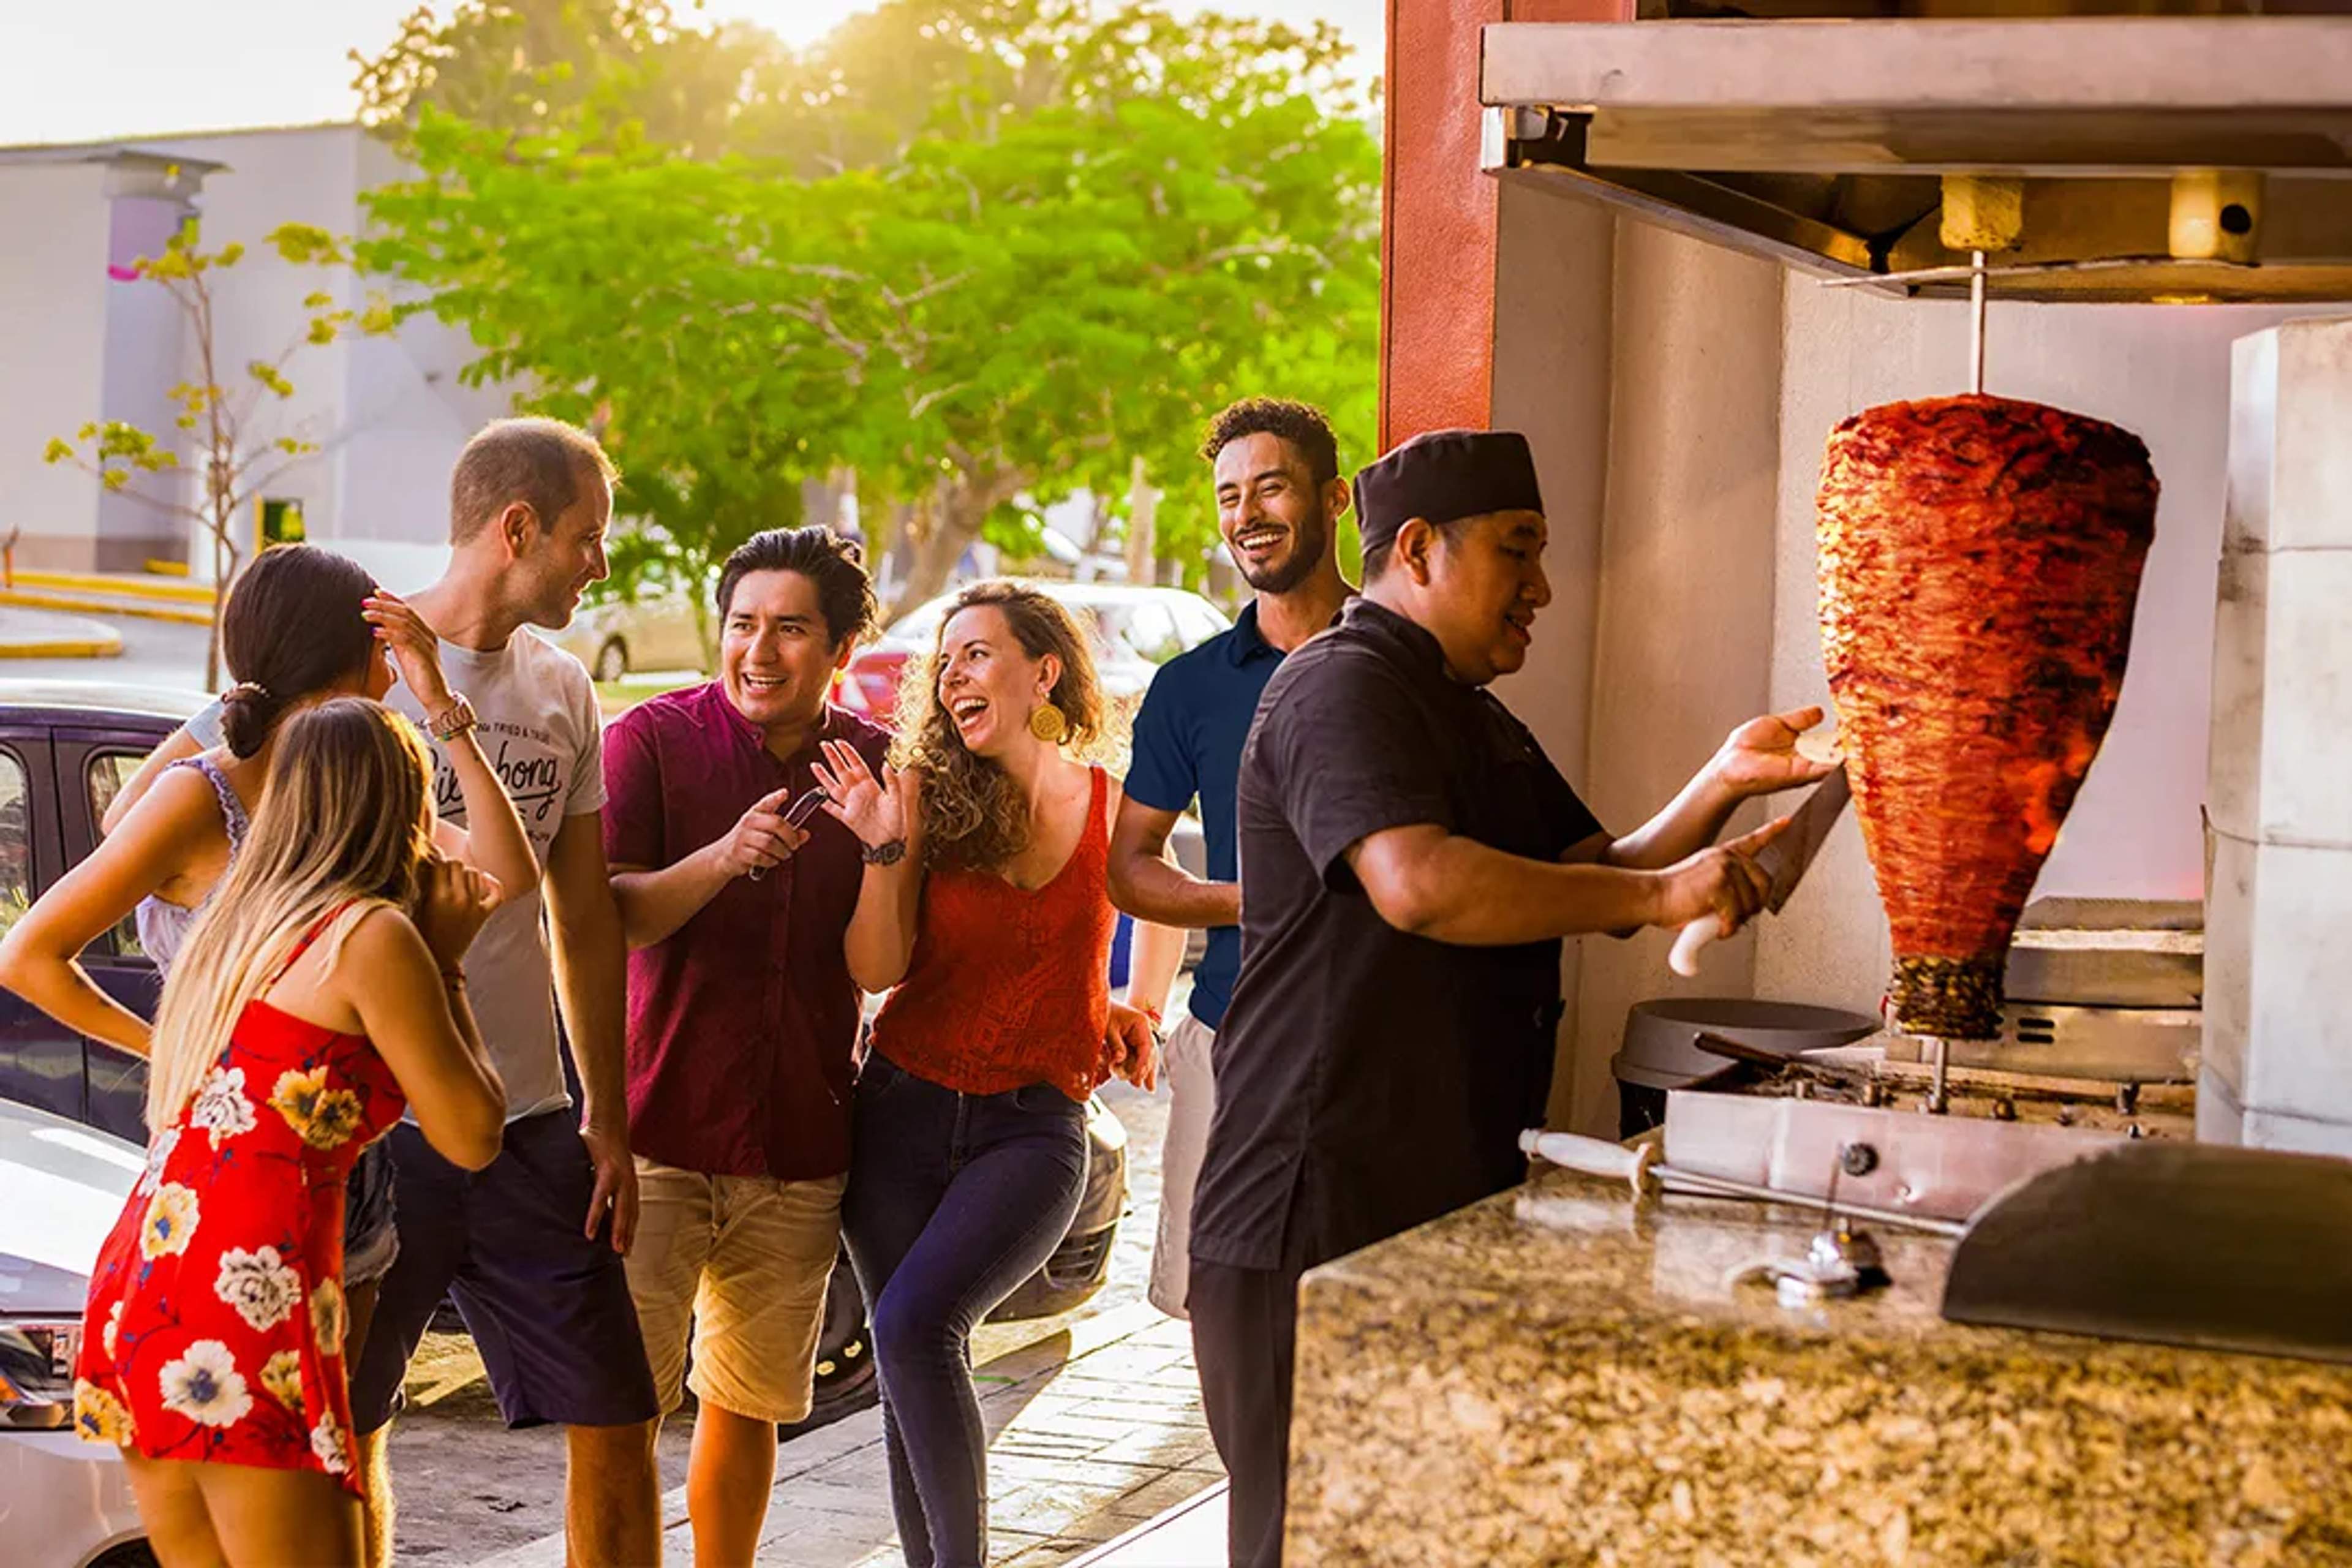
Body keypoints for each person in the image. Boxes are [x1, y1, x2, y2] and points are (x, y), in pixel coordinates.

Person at [1187, 429, 1831, 1567]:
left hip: (1433, 1198)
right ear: (1421, 549)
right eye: (1519, 549)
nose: (1542, 586)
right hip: (1312, 1208)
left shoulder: (1469, 708)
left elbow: (1607, 860)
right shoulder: (1341, 683)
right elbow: (1419, 884)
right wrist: (1658, 896)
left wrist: (1725, 784)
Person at [0, 543, 538, 1497]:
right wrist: (175, 1047)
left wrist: (441, 704)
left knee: (348, 1449)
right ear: (354, 648)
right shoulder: (201, 794)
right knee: (293, 1467)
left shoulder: (369, 798)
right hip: (237, 1185)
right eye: (383, 638)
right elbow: (32, 954)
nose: (396, 660)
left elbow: (506, 873)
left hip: (346, 1168)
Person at [71, 697, 510, 1568]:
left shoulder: (236, 923)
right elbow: (472, 1135)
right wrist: (451, 960)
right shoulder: (369, 934)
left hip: (145, 1282)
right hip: (246, 1295)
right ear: (405, 807)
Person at [344, 417, 662, 1568]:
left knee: (622, 1419)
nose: (601, 565)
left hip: (529, 1127)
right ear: (517, 527)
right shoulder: (361, 658)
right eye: (590, 538)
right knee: (354, 1426)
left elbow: (579, 915)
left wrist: (607, 1119)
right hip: (384, 1123)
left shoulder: (563, 686)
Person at [813, 580, 1162, 1568]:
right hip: (903, 1113)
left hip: (1034, 1129)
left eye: (977, 652)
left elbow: (1124, 921)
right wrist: (886, 849)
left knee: (920, 1323)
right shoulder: (921, 793)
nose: (953, 672)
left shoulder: (1109, 804)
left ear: (1042, 670)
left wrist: (1122, 1005)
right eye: (946, 659)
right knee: (905, 1357)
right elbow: (877, 970)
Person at [601, 526, 892, 1566]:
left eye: (791, 630)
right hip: (656, 1133)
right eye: (743, 625)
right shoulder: (650, 741)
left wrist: (885, 843)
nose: (759, 652)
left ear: (844, 646)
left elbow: (879, 964)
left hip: (800, 1141)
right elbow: (608, 916)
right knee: (621, 1410)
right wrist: (722, 860)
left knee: (750, 1400)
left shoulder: (876, 765)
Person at [1107, 398, 1354, 1320]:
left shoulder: (1401, 658)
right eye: (1229, 495)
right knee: (1218, 1318)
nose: (1246, 513)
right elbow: (1129, 865)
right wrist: (1251, 903)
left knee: (1349, 1311)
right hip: (1227, 1036)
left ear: (1333, 501)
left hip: (1373, 1042)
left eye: (1272, 488)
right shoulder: (1190, 688)